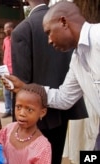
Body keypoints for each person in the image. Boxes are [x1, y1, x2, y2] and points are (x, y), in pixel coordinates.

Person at [6, 0, 100, 151]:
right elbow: (64, 98)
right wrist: (26, 88)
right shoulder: (76, 60)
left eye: (49, 32)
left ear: (63, 22)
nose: (49, 40)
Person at [0, 83, 51, 164]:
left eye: (29, 109)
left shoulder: (42, 147)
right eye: (18, 107)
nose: (22, 113)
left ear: (42, 112)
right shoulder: (8, 129)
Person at [2, 21, 14, 118]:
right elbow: (5, 51)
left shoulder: (17, 39)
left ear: (11, 28)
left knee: (14, 91)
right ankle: (8, 109)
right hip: (5, 69)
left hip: (14, 69)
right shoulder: (5, 40)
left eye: (6, 28)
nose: (5, 30)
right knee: (6, 91)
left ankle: (14, 110)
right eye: (4, 29)